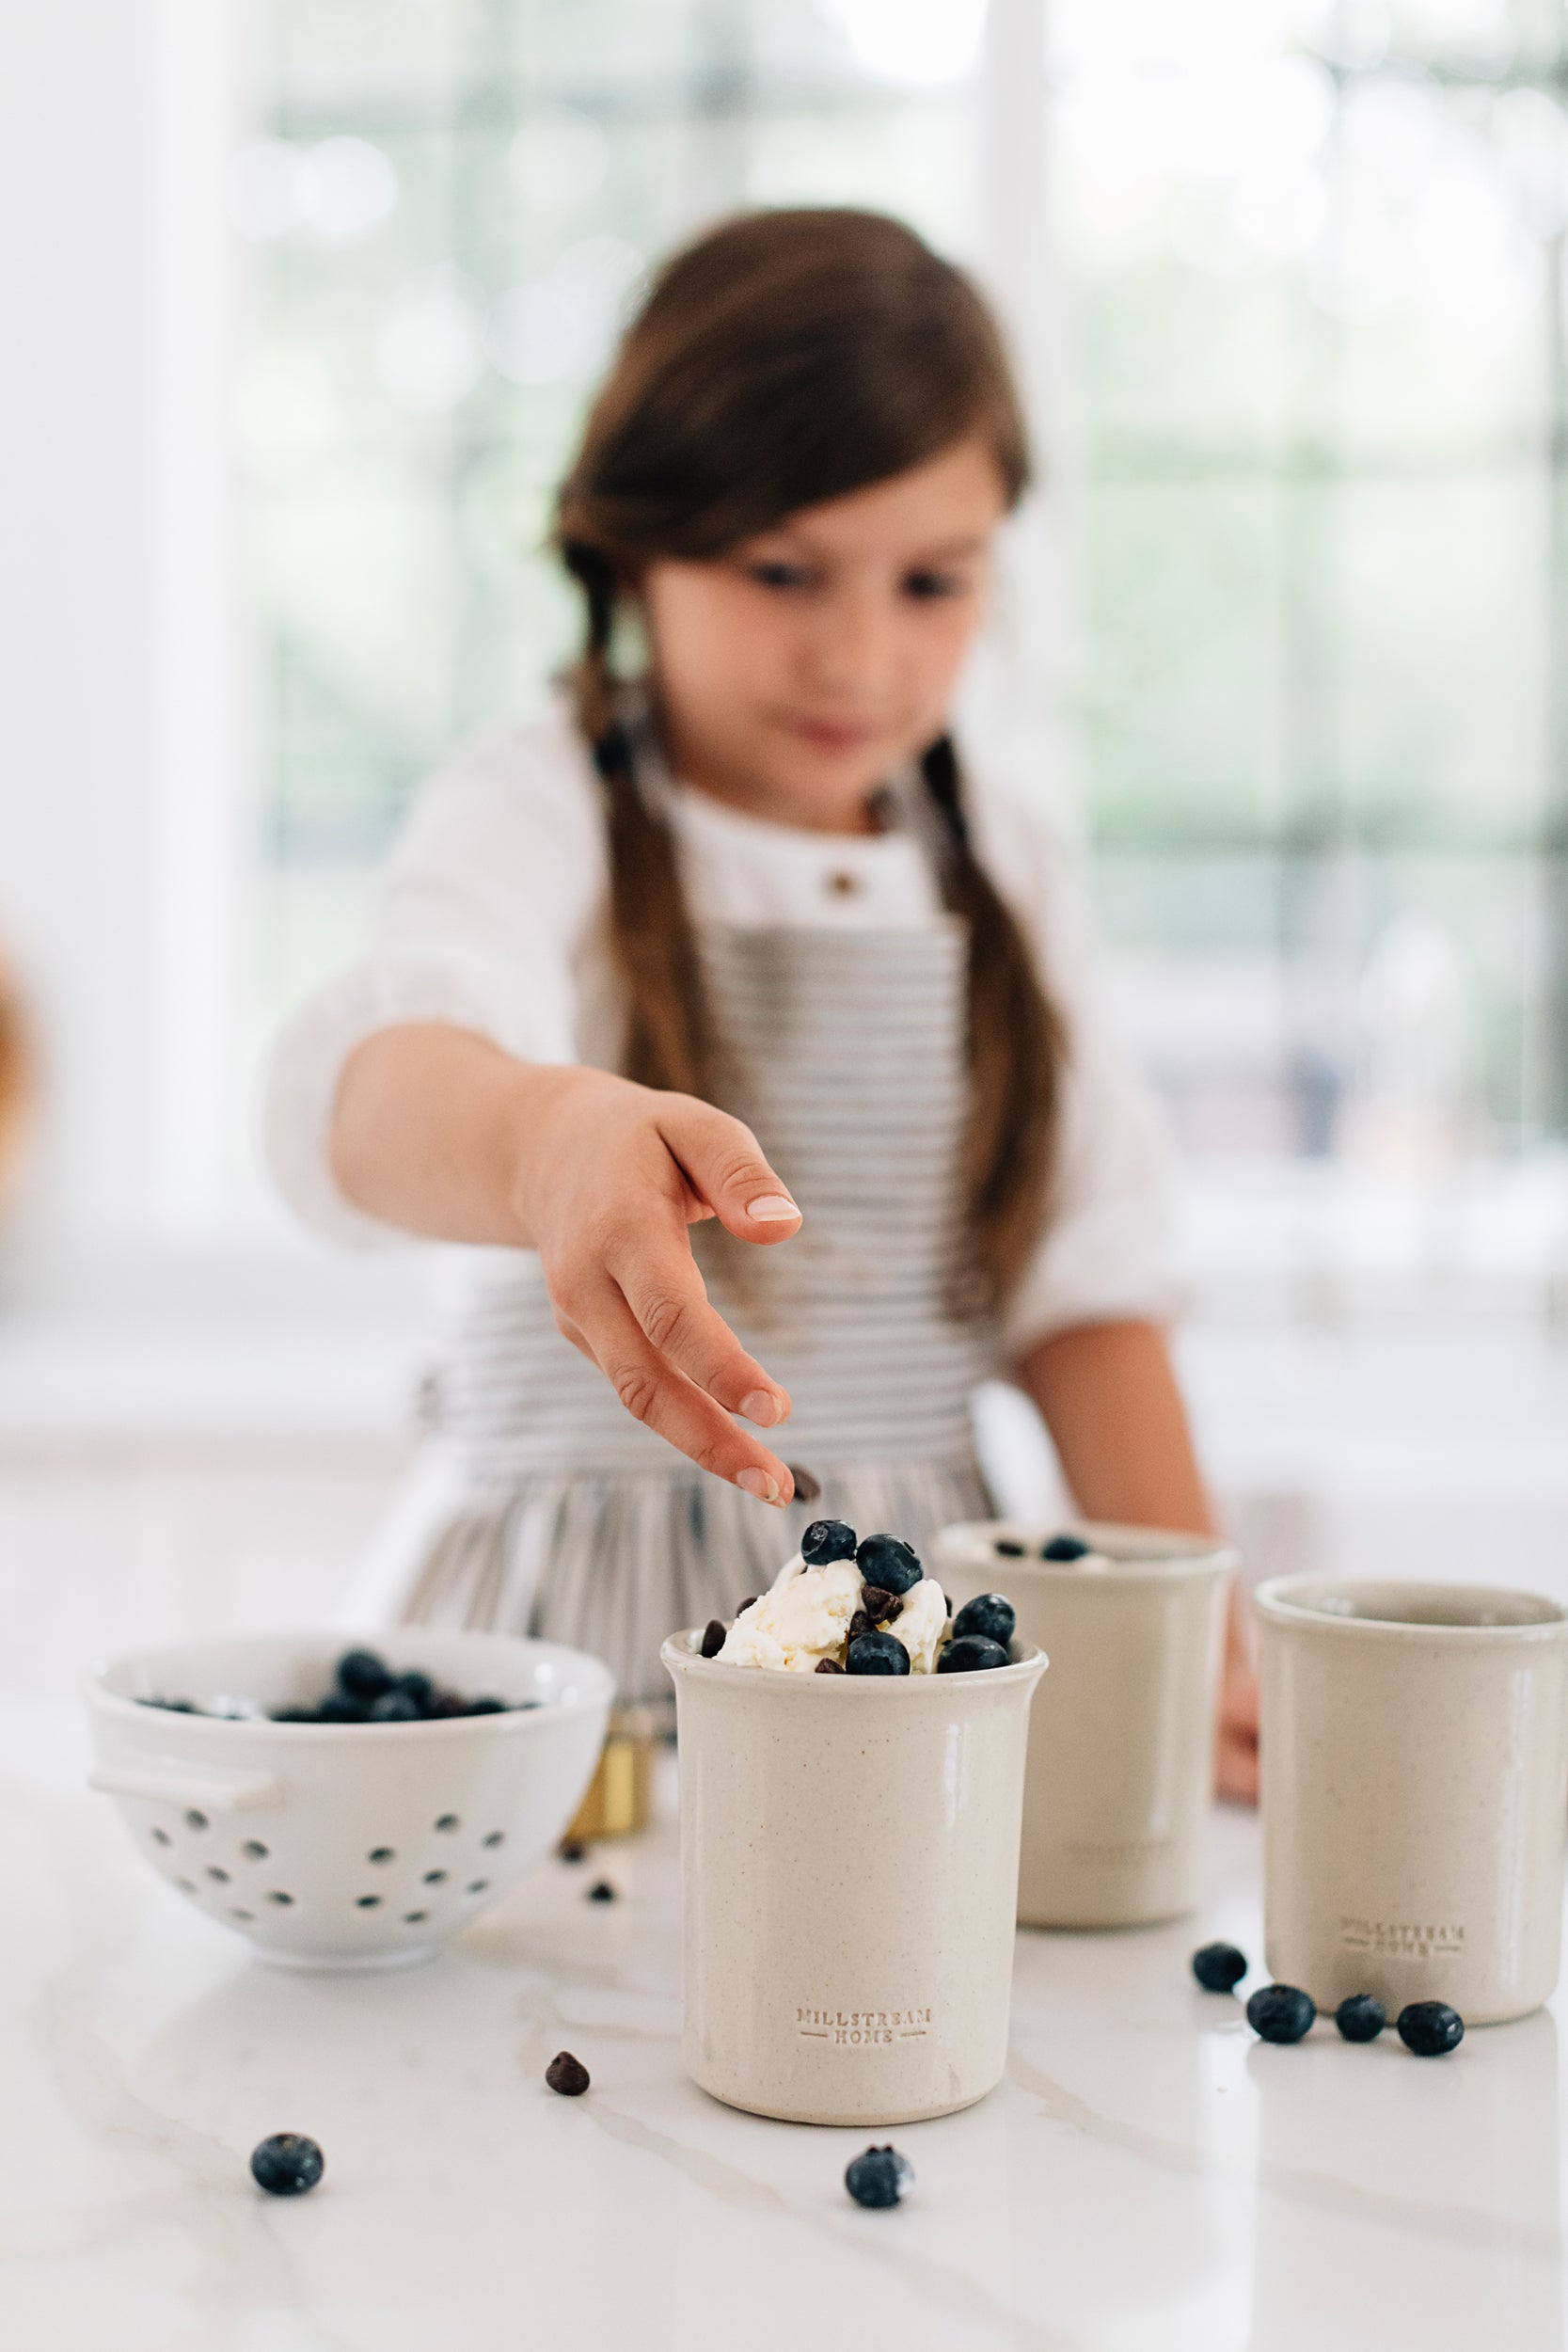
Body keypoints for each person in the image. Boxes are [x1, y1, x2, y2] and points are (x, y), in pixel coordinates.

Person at [264, 207, 1259, 1800]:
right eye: (781, 570)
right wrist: (545, 1136)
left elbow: (1089, 1296)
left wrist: (1199, 1652)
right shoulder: (541, 805)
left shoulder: (1001, 856)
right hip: (557, 1669)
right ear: (626, 550)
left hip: (905, 1654)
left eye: (933, 582)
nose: (859, 654)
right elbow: (374, 1095)